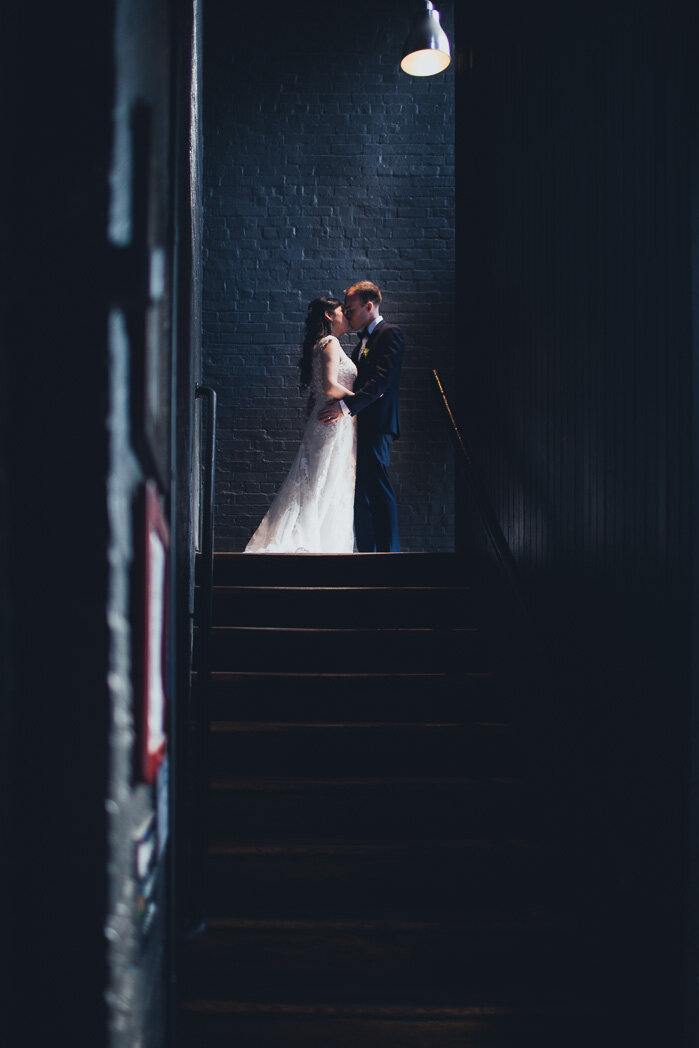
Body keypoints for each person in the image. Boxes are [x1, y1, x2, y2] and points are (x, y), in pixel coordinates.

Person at [244, 297, 357, 553]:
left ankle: (322, 542)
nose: (347, 315)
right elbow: (329, 386)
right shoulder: (331, 343)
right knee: (321, 480)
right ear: (329, 315)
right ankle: (310, 542)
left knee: (324, 480)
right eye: (342, 311)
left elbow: (318, 392)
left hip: (330, 419)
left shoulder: (323, 344)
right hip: (331, 423)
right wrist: (360, 400)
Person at [318, 281, 404, 553]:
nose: (347, 313)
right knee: (361, 491)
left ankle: (389, 553)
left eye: (351, 308)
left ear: (369, 306)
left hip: (378, 423)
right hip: (358, 423)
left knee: (378, 485)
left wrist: (344, 408)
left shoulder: (390, 334)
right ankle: (367, 553)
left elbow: (381, 382)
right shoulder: (359, 342)